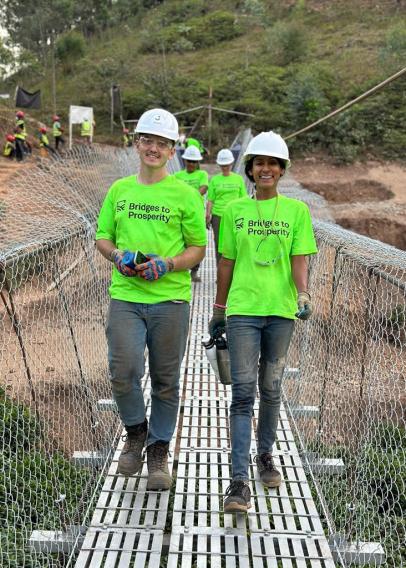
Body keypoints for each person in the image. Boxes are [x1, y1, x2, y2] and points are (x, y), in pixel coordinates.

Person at [96, 108, 206, 490]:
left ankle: (158, 449)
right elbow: (103, 237)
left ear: (173, 149)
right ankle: (136, 432)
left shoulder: (186, 195)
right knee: (123, 371)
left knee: (165, 379)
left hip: (170, 299)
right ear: (136, 142)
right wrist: (117, 256)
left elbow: (198, 248)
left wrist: (169, 264)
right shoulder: (119, 190)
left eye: (162, 143)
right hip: (126, 296)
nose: (154, 148)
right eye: (147, 140)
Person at [208, 131, 318, 513]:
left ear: (282, 170)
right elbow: (225, 263)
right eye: (259, 163)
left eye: (273, 163)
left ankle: (265, 455)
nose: (266, 169)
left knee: (271, 388)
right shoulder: (237, 210)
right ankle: (238, 482)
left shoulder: (297, 212)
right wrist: (219, 310)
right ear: (250, 170)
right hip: (243, 310)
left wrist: (303, 294)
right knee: (242, 392)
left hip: (281, 311)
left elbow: (300, 257)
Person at [174, 145, 209, 282]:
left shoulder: (202, 175)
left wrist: (187, 199)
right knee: (181, 240)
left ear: (198, 163)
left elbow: (204, 188)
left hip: (196, 212)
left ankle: (194, 271)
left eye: (194, 161)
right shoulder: (177, 176)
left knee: (195, 242)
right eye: (189, 161)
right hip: (179, 213)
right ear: (185, 161)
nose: (191, 164)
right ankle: (181, 267)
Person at [206, 148, 247, 264]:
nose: (225, 167)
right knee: (219, 244)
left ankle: (234, 272)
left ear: (231, 164)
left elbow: (243, 199)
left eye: (227, 165)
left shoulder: (238, 179)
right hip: (218, 216)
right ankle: (220, 273)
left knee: (235, 242)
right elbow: (210, 200)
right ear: (219, 165)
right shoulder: (215, 180)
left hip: (235, 216)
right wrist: (207, 215)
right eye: (223, 165)